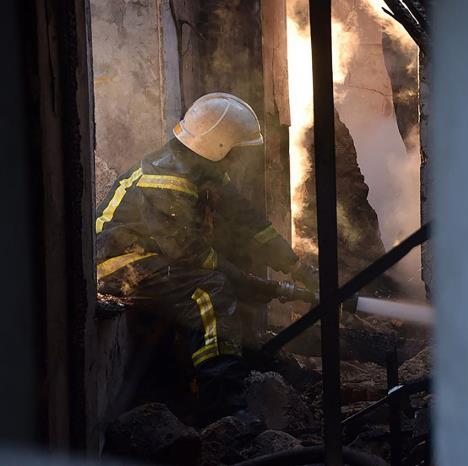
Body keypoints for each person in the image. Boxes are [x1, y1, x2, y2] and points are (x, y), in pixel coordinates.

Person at [95, 92, 317, 423]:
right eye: (237, 151)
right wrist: (249, 282)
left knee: (223, 281)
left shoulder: (201, 170)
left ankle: (249, 362)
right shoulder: (167, 179)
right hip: (119, 264)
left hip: (153, 258)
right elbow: (187, 253)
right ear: (219, 146)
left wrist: (297, 267)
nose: (239, 160)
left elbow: (248, 223)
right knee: (210, 292)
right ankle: (222, 399)